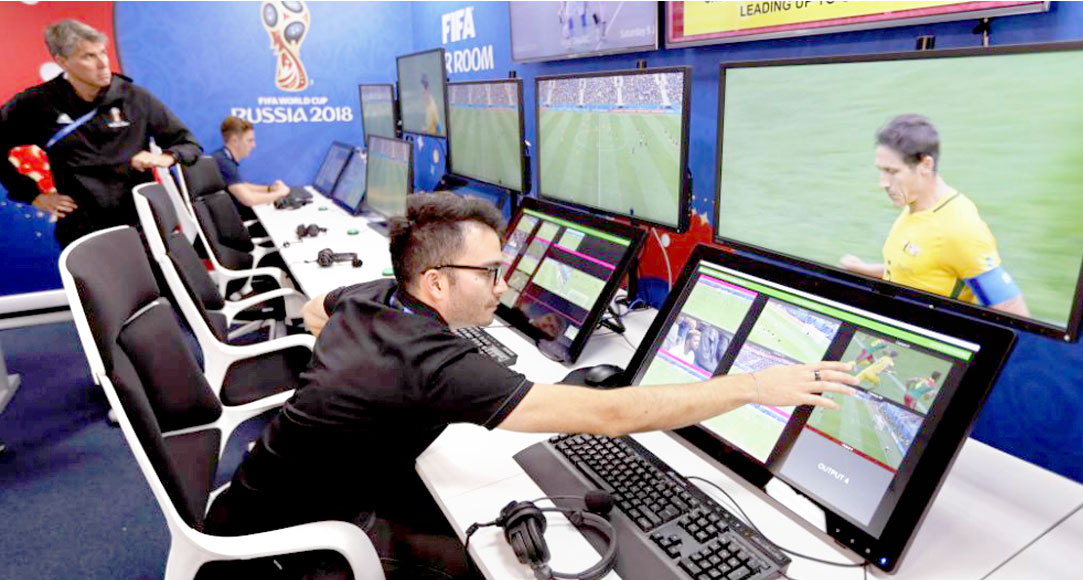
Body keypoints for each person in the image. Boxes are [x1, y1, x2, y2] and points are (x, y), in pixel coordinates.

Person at [207, 192, 857, 577]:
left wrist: (359, 385)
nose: (504, 285)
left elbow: (314, 312)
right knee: (495, 564)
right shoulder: (435, 363)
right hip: (282, 552)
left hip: (253, 498)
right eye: (490, 272)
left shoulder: (378, 295)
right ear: (436, 282)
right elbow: (607, 416)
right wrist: (751, 387)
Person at [0, 19, 201, 248]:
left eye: (103, 53)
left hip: (141, 226)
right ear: (62, 61)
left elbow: (189, 145)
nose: (103, 63)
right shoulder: (37, 104)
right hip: (82, 231)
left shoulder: (134, 97)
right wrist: (32, 194)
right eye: (88, 56)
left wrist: (166, 157)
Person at [839, 114, 1029, 317]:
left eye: (892, 171)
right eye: (881, 171)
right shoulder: (915, 206)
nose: (882, 183)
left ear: (925, 165)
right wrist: (865, 270)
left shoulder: (960, 229)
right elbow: (917, 271)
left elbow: (1013, 311)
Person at [211, 115, 290, 211]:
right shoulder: (225, 164)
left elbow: (240, 186)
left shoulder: (222, 157)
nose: (253, 145)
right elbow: (249, 199)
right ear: (234, 141)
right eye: (250, 140)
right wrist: (281, 193)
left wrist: (269, 189)